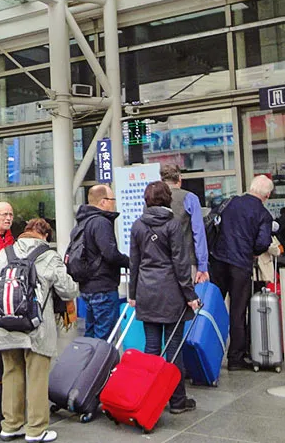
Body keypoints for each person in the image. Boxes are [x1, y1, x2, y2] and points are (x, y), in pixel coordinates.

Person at [0, 218, 78, 443]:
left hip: (5, 324)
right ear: (45, 235)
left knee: (11, 373)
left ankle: (10, 426)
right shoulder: (49, 255)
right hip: (37, 327)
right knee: (37, 377)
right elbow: (68, 290)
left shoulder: (6, 252)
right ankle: (35, 430)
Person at [128, 181, 201, 415]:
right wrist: (190, 294)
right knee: (173, 348)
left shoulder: (138, 225)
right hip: (170, 292)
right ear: (167, 198)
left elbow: (134, 263)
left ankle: (151, 398)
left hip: (147, 291)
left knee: (151, 347)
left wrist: (132, 294)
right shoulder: (173, 225)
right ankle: (177, 400)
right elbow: (180, 263)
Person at [209, 175, 274, 371]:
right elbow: (263, 243)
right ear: (267, 195)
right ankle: (235, 358)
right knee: (238, 312)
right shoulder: (263, 214)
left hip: (218, 260)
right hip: (241, 265)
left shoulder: (229, 203)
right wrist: (251, 251)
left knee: (214, 307)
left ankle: (207, 351)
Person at [72, 184, 129, 340]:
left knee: (90, 337)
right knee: (105, 339)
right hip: (103, 288)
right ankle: (103, 365)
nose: (114, 203)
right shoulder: (101, 222)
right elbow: (110, 254)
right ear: (103, 202)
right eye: (112, 199)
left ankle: (89, 365)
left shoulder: (81, 223)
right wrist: (130, 262)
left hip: (87, 288)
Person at [160, 165, 209, 283]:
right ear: (180, 179)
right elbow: (198, 233)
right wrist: (202, 266)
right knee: (189, 299)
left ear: (162, 181)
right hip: (187, 262)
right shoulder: (190, 198)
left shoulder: (151, 200)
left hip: (159, 265)